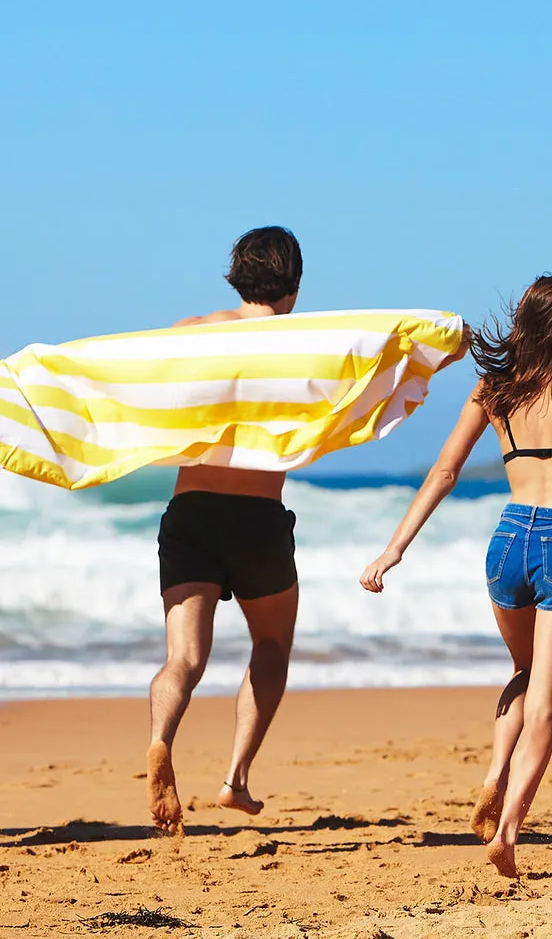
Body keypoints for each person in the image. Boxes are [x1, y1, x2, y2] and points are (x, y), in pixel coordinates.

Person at [360, 274, 552, 878]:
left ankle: (494, 774)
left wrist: (394, 549)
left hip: (506, 542)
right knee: (548, 702)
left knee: (525, 672)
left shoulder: (493, 388)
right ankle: (507, 831)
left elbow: (444, 472)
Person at [147, 226, 305, 834]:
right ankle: (236, 778)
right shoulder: (306, 346)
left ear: (237, 275)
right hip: (258, 517)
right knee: (271, 646)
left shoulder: (190, 334)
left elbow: (131, 386)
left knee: (183, 657)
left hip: (191, 511)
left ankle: (161, 739)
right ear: (292, 284)